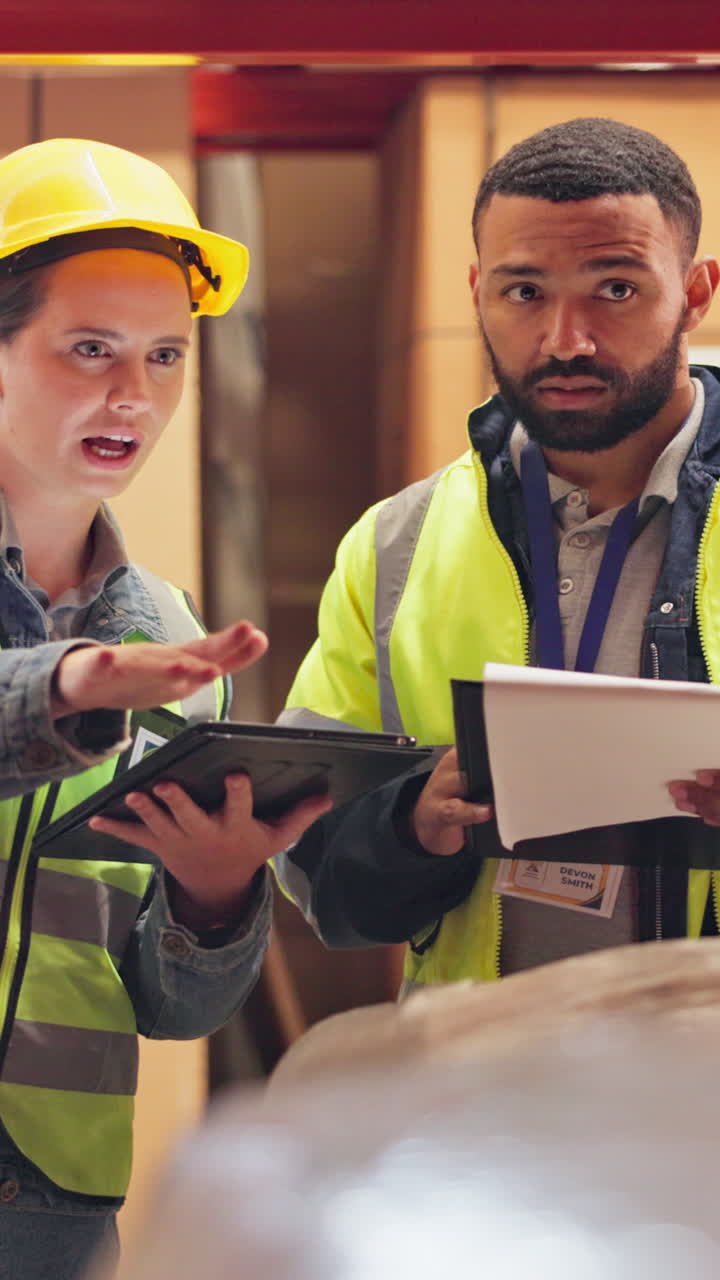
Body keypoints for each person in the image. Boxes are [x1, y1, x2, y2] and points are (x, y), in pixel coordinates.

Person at [274, 116, 720, 993]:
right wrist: (411, 828)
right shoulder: (393, 544)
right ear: (477, 290)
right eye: (523, 292)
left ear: (697, 291)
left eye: (616, 289)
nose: (565, 339)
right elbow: (310, 865)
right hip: (471, 1099)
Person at [0, 137, 329, 1280]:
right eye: (87, 348)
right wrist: (62, 687)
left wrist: (220, 892)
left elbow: (174, 1006)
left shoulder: (168, 632)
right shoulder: (126, 664)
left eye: (165, 356)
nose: (131, 396)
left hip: (53, 1193)